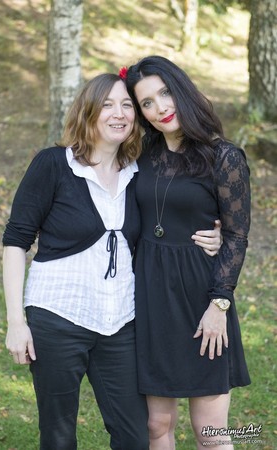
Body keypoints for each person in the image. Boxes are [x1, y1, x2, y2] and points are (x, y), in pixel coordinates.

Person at [2, 72, 221, 450]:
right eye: (107, 105)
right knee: (58, 435)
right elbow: (15, 242)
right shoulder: (54, 165)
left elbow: (169, 220)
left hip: (120, 323)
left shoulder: (139, 172)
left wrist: (212, 237)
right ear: (88, 111)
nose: (118, 113)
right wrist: (15, 322)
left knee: (135, 436)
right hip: (57, 316)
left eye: (126, 106)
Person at [123, 55, 251, 450]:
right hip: (150, 298)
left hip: (202, 299)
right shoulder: (140, 154)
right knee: (156, 426)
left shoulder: (223, 157)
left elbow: (236, 236)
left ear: (181, 89)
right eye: (146, 102)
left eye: (164, 93)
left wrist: (219, 304)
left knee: (210, 434)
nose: (160, 107)